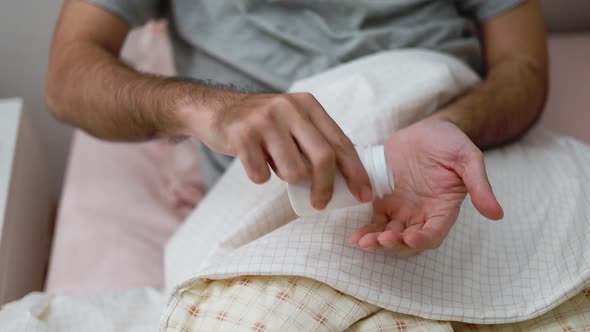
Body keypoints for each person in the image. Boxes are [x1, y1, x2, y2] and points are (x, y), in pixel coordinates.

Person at [46, 0, 547, 255]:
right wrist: (209, 109)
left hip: (463, 141)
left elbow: (523, 66)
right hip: (281, 191)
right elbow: (69, 77)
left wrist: (447, 126)